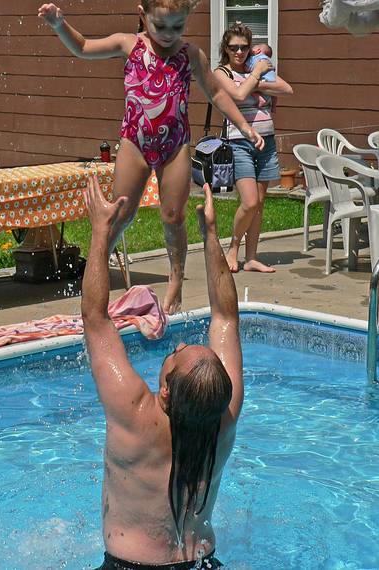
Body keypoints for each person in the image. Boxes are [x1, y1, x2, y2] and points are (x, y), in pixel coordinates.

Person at [38, 1, 264, 315]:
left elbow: (217, 93)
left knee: (174, 216)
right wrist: (59, 24)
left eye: (177, 27)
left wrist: (243, 125)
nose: (169, 34)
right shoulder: (128, 44)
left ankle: (175, 280)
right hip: (135, 141)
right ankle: (96, 270)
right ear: (143, 14)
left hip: (174, 147)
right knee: (120, 213)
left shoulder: (190, 55)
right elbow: (84, 47)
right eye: (161, 26)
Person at [81, 176, 243, 569]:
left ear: (167, 393)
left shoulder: (134, 414)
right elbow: (226, 317)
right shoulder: (224, 416)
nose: (180, 345)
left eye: (178, 355)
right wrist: (211, 235)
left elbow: (95, 319)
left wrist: (101, 232)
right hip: (203, 562)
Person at [214, 23, 293, 273]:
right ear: (225, 49)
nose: (239, 52)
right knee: (248, 202)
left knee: (259, 204)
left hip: (266, 142)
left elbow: (287, 88)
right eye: (234, 47)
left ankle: (251, 258)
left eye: (244, 47)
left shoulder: (255, 68)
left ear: (250, 48)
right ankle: (233, 248)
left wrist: (254, 79)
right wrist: (257, 75)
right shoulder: (221, 73)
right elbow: (237, 96)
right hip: (239, 142)